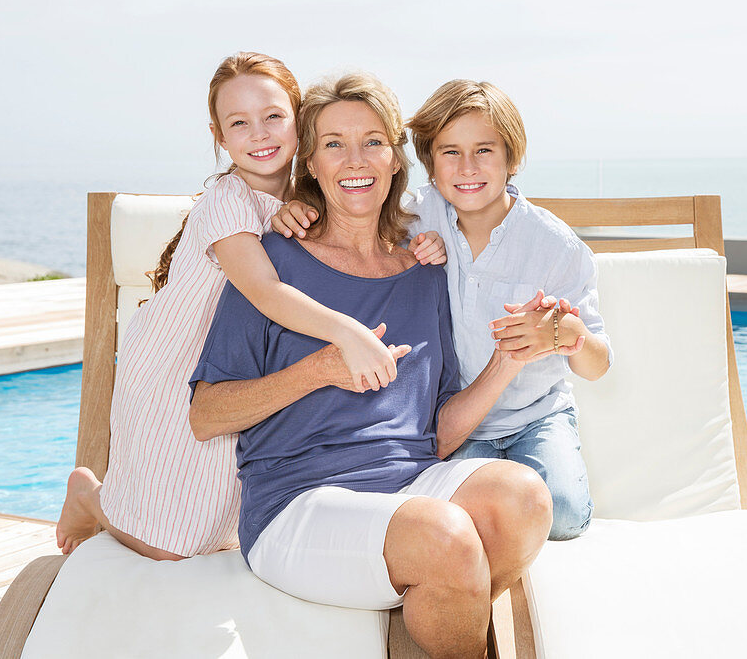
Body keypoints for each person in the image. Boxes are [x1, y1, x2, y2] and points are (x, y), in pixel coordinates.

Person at [189, 72, 552, 659]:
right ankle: (440, 601)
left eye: (372, 141)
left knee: (525, 496)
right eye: (333, 143)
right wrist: (321, 369)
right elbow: (205, 415)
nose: (354, 159)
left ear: (394, 159)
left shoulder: (424, 271)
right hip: (298, 504)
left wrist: (507, 362)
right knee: (444, 537)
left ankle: (434, 606)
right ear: (310, 162)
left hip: (410, 485)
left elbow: (437, 434)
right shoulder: (272, 264)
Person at [54, 53, 446, 560]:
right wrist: (349, 334)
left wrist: (424, 240)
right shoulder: (229, 203)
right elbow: (265, 292)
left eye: (273, 117)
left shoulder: (297, 200)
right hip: (172, 363)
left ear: (299, 123)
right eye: (239, 123)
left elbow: (379, 206)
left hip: (233, 360)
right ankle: (90, 497)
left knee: (218, 520)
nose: (259, 134)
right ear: (218, 136)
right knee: (173, 544)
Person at [273, 79, 612, 540]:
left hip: (537, 414)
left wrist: (566, 331)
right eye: (450, 152)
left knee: (565, 516)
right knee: (471, 515)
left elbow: (597, 364)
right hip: (455, 418)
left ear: (511, 158)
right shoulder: (415, 219)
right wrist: (295, 208)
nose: (467, 167)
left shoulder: (556, 246)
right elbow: (352, 216)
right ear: (429, 164)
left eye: (485, 151)